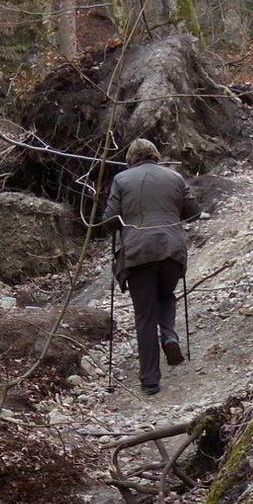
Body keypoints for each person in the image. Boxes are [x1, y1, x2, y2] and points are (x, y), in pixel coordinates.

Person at [101, 138, 201, 396]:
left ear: (131, 158)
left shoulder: (122, 180)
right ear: (156, 155)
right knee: (166, 296)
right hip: (171, 250)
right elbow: (193, 212)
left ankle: (150, 381)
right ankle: (169, 335)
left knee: (144, 316)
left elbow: (110, 220)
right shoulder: (175, 177)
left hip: (138, 253)